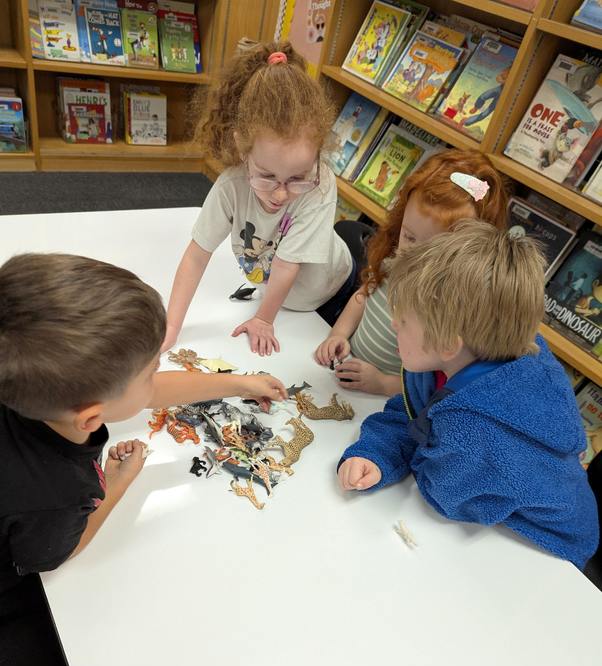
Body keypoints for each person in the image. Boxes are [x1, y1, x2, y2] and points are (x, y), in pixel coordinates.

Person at [0, 253, 287, 595]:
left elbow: (145, 393)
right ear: (91, 417)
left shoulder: (22, 380)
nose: (156, 376)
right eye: (151, 372)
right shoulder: (57, 497)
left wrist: (241, 383)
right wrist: (117, 484)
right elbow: (56, 553)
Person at [338, 220, 599, 568]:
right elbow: (414, 413)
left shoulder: (477, 434)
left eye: (402, 321)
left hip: (545, 551)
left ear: (448, 344)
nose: (392, 325)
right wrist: (376, 453)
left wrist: (413, 448)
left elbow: (443, 495)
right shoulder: (458, 360)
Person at [163, 41, 355, 358]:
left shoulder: (320, 185)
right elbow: (197, 255)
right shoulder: (230, 187)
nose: (280, 194)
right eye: (267, 176)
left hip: (333, 293)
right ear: (242, 148)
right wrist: (172, 325)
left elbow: (285, 264)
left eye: (296, 178)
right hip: (283, 297)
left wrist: (264, 319)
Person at [314, 149, 508, 395]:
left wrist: (383, 383)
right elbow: (362, 297)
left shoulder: (449, 310)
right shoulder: (395, 259)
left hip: (384, 400)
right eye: (409, 236)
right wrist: (338, 335)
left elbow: (433, 385)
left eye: (430, 251)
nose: (411, 254)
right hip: (344, 372)